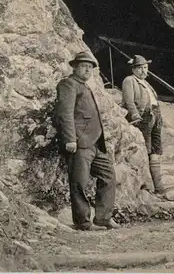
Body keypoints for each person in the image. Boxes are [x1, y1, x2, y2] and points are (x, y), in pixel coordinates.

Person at [55, 51, 119, 231]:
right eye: (83, 66)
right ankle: (83, 222)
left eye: (90, 67)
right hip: (79, 142)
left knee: (109, 175)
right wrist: (70, 139)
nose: (87, 70)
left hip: (95, 143)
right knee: (79, 183)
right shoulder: (68, 84)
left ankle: (103, 218)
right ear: (74, 67)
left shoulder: (84, 86)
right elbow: (65, 113)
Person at [121, 55, 164, 194]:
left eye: (145, 68)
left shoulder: (147, 84)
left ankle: (158, 186)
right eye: (140, 68)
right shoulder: (129, 80)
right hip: (143, 117)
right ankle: (148, 185)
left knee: (156, 148)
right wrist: (134, 114)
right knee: (146, 148)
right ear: (133, 69)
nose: (143, 71)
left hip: (155, 116)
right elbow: (129, 100)